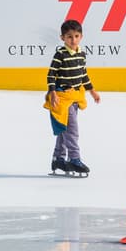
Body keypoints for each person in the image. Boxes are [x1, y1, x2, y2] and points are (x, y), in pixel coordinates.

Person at [44, 19, 100, 175]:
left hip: (75, 97)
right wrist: (53, 92)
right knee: (71, 130)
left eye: (76, 36)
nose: (73, 40)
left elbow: (83, 75)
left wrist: (92, 91)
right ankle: (74, 159)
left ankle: (58, 159)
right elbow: (51, 75)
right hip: (62, 98)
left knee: (64, 129)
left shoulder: (81, 54)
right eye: (69, 36)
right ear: (62, 38)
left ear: (81, 36)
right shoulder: (60, 55)